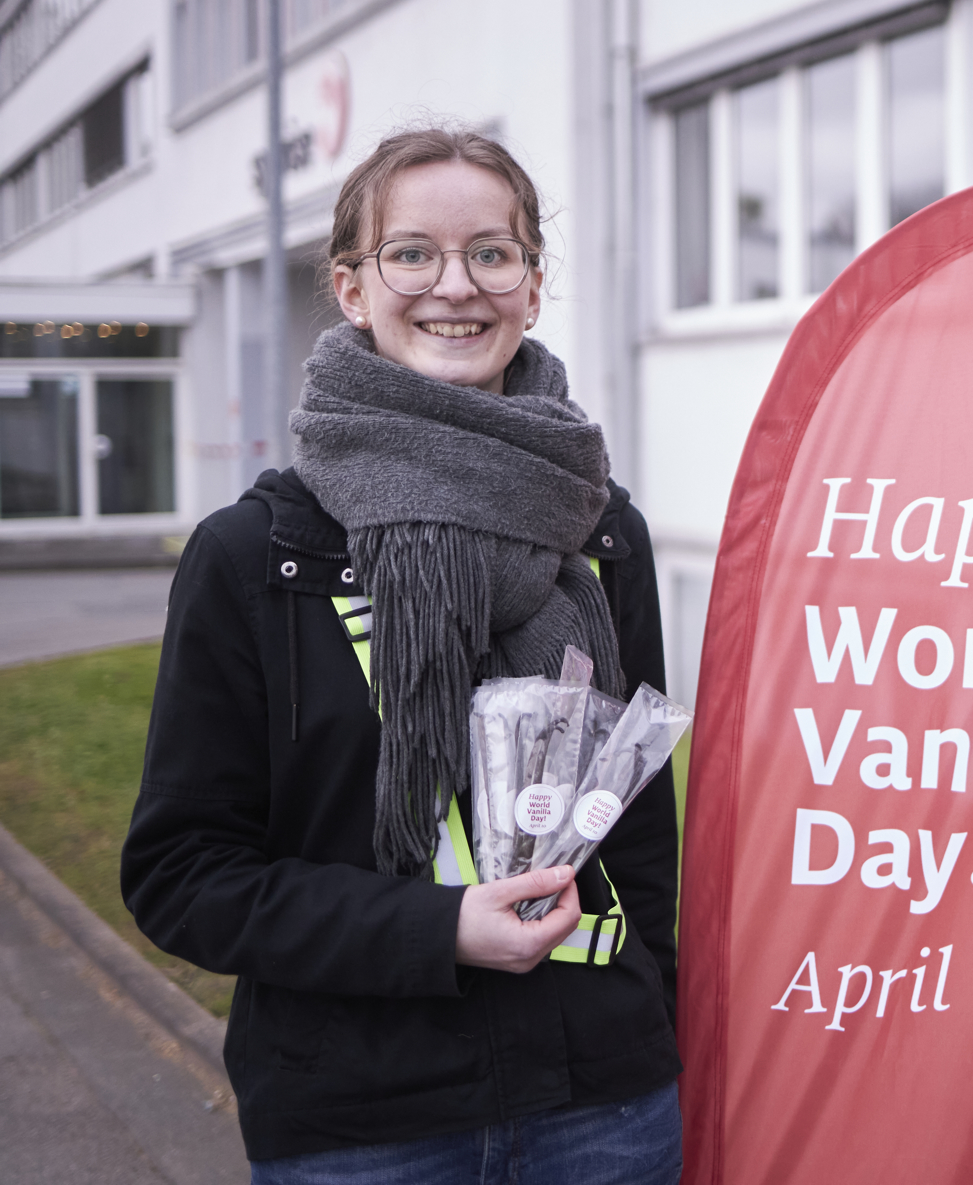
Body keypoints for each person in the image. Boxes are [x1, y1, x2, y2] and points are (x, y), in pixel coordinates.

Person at [122, 128, 683, 1183]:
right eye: (412, 253)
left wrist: (653, 1022)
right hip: (365, 1128)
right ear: (351, 287)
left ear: (530, 283)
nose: (454, 286)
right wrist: (436, 931)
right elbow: (183, 873)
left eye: (491, 252)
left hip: (604, 1104)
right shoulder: (260, 554)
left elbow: (639, 830)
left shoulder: (603, 529)